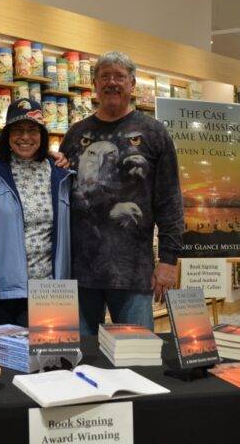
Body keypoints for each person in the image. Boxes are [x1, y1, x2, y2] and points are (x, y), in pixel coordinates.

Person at [59, 51, 183, 335]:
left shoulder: (154, 133)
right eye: (105, 77)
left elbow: (170, 201)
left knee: (137, 360)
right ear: (95, 84)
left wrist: (167, 261)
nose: (112, 82)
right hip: (81, 272)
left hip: (133, 272)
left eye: (119, 77)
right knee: (80, 361)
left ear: (132, 84)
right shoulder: (76, 134)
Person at [0, 99, 73, 327]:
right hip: (9, 291)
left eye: (32, 130)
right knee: (12, 360)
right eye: (17, 130)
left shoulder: (62, 175)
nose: (25, 137)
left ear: (42, 135)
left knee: (54, 361)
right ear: (7, 136)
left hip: (53, 290)